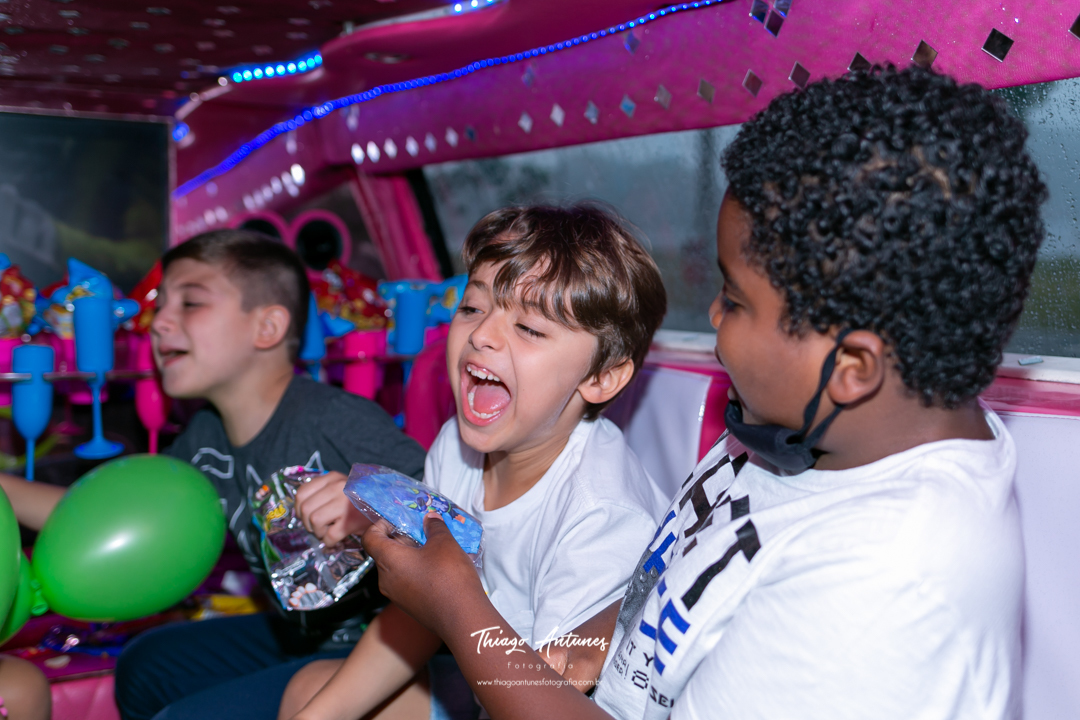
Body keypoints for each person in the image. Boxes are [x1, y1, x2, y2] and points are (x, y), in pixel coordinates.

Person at [357, 65, 1048, 720]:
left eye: (735, 299)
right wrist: (609, 630)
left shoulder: (887, 581)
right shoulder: (815, 424)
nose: (714, 316)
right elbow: (697, 577)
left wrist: (457, 606)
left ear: (853, 366)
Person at [1, 230, 427, 720]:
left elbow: (440, 510)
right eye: (161, 306)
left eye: (191, 303)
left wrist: (366, 504)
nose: (159, 322)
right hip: (300, 635)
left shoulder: (332, 417)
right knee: (146, 665)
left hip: (386, 647)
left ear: (267, 327)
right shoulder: (206, 436)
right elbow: (89, 522)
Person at [278, 205, 671, 720]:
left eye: (529, 328)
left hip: (536, 700)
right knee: (309, 693)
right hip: (479, 675)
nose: (482, 335)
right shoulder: (456, 448)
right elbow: (423, 612)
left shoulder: (602, 516)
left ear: (601, 379)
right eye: (472, 308)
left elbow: (547, 698)